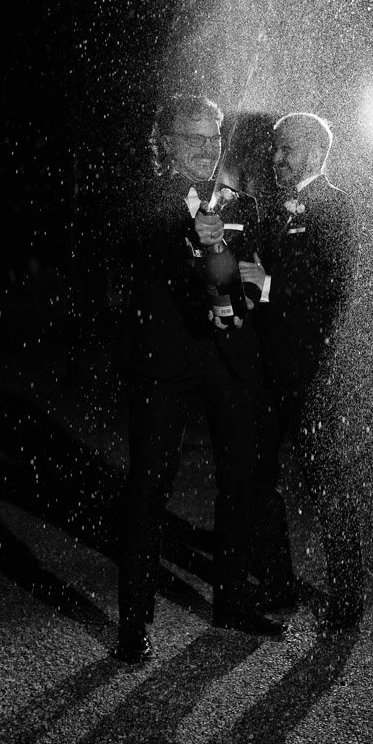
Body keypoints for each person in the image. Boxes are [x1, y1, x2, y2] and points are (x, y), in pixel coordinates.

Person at [112, 93, 281, 664]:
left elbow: (256, 281)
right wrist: (196, 243)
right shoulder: (142, 200)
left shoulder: (239, 203)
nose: (209, 150)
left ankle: (232, 601)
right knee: (149, 487)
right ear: (165, 143)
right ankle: (134, 622)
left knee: (240, 481)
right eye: (194, 139)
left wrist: (228, 263)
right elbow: (148, 259)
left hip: (229, 358)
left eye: (214, 138)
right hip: (164, 361)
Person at [239, 112, 365, 632]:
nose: (276, 158)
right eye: (274, 149)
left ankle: (348, 597)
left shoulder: (336, 207)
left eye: (285, 149)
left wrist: (264, 286)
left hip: (311, 371)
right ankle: (277, 583)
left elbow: (330, 289)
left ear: (314, 153)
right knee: (259, 477)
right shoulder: (273, 208)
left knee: (324, 481)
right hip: (268, 368)